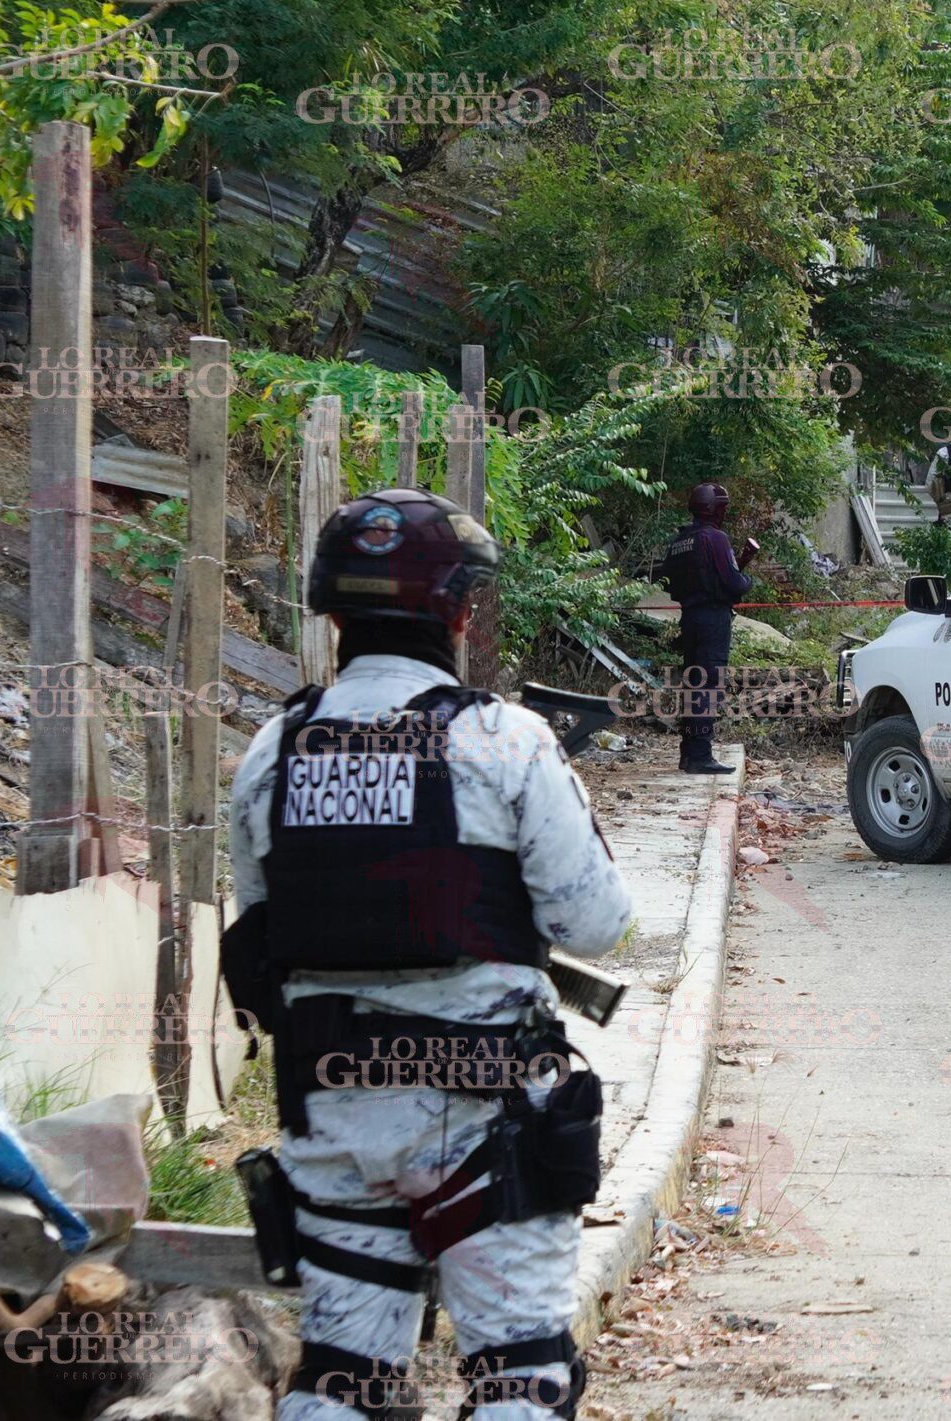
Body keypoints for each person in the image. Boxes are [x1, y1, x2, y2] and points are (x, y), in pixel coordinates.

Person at [224, 487, 634, 1421]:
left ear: (334, 617)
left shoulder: (274, 749)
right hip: (487, 1119)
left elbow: (262, 934)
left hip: (331, 1111)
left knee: (341, 1375)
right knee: (520, 1374)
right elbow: (596, 923)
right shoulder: (504, 739)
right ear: (458, 612)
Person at [658, 482, 755, 775]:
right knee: (708, 686)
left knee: (693, 683)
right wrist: (746, 580)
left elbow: (669, 584)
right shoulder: (715, 538)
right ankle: (700, 755)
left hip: (690, 619)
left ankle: (689, 753)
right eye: (722, 508)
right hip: (712, 620)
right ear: (714, 510)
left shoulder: (680, 541)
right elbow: (734, 582)